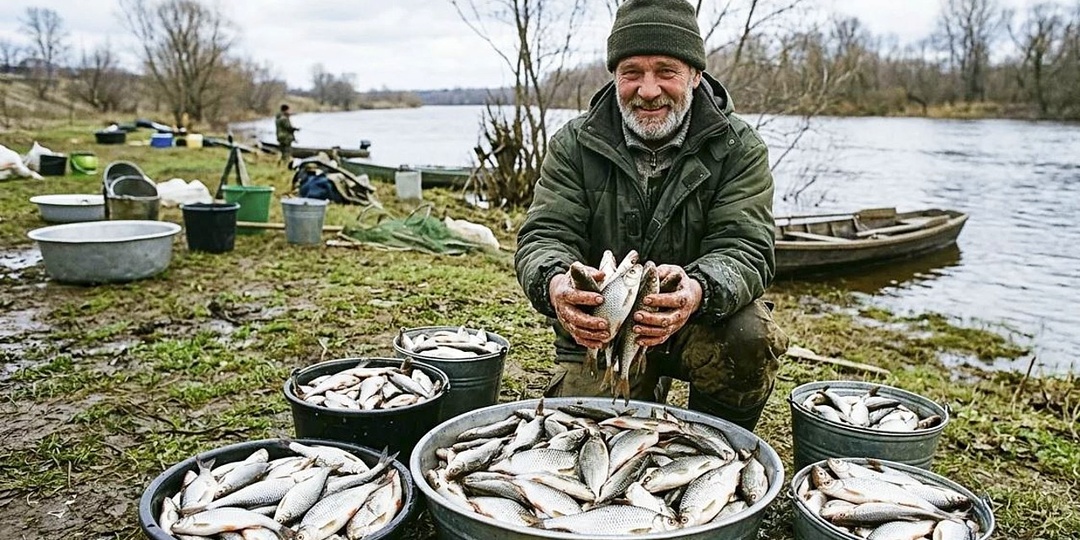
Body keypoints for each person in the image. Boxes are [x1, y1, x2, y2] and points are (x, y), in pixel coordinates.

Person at [514, 0, 789, 432]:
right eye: (632, 73)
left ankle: (717, 441)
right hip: (602, 329)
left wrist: (699, 290)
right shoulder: (572, 144)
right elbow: (544, 235)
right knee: (590, 437)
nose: (647, 90)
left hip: (698, 321)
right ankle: (634, 385)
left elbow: (747, 247)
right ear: (615, 76)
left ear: (696, 76)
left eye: (666, 71)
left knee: (749, 336)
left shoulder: (740, 148)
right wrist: (556, 284)